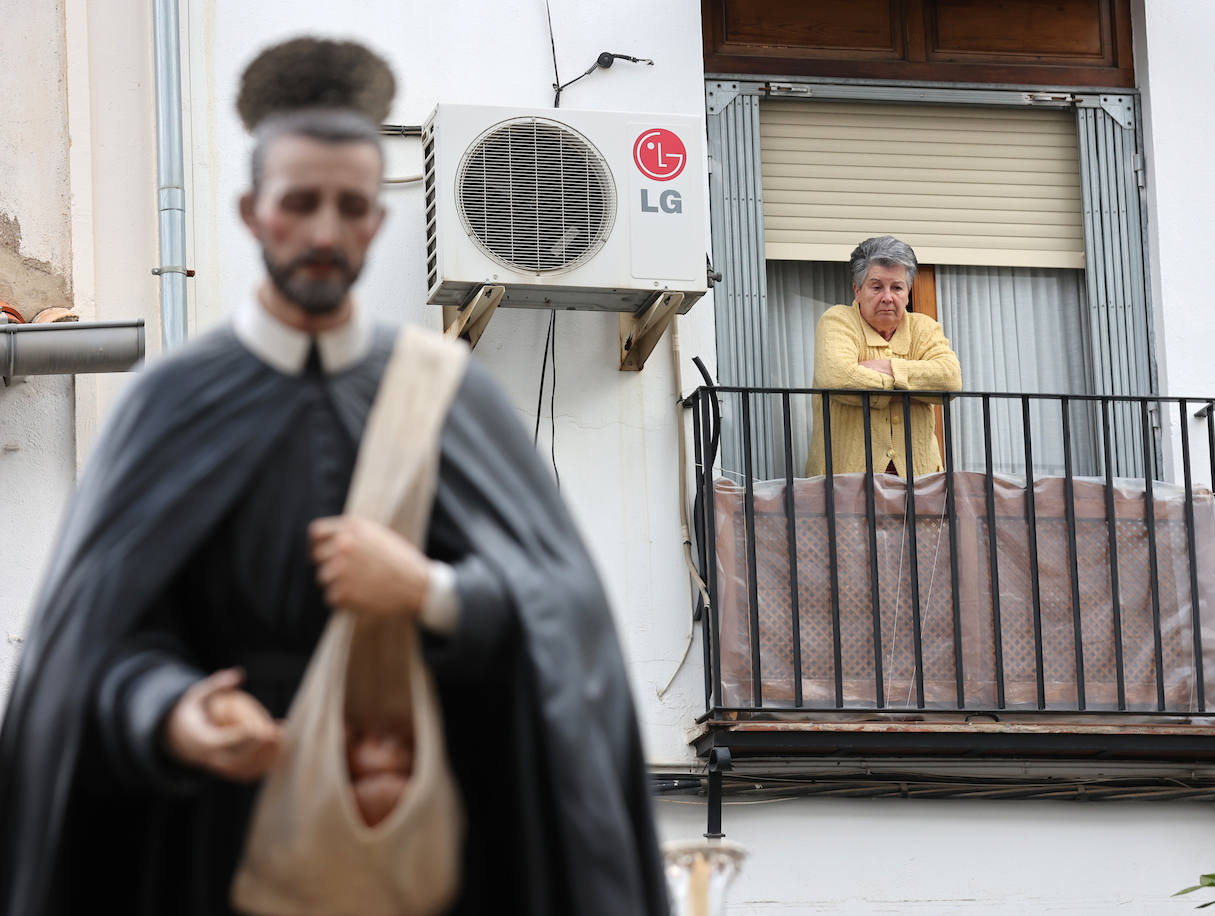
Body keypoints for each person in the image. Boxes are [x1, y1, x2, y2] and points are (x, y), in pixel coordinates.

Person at [0, 38, 669, 916]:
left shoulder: (449, 396)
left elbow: (563, 616)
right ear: (253, 213)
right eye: (299, 202)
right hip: (221, 853)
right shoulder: (173, 400)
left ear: (375, 222)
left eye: (349, 205)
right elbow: (94, 652)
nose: (323, 230)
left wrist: (427, 591)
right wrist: (171, 713)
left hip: (419, 855)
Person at [804, 235, 962, 478]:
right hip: (845, 482)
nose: (888, 297)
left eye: (897, 287)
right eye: (877, 287)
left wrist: (882, 369)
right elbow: (836, 377)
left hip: (918, 483)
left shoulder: (924, 328)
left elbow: (950, 379)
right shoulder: (838, 320)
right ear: (857, 290)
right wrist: (911, 390)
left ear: (908, 293)